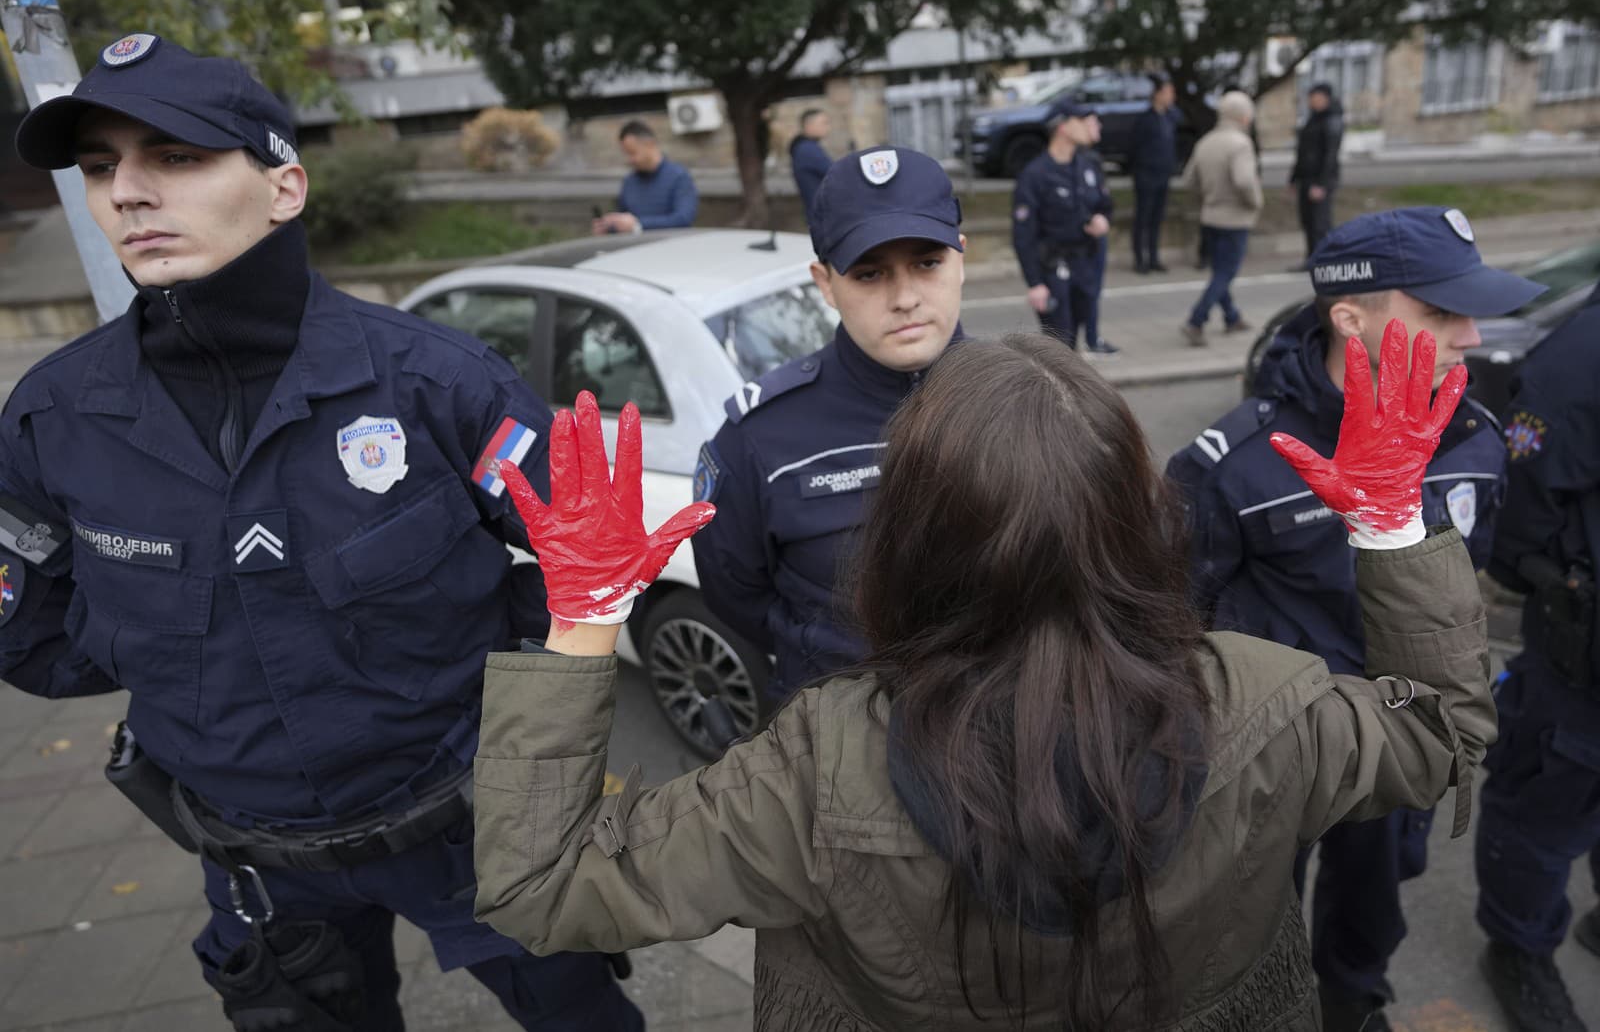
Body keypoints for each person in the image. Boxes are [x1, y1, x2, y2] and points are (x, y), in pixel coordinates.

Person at [470, 319, 1496, 1030]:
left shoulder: (809, 771)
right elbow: (1443, 729)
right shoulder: (1273, 702)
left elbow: (540, 882)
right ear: (1142, 522)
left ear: (904, 539)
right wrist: (1391, 523)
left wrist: (585, 614)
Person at [2, 34, 641, 1031]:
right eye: (98, 166)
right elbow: (29, 635)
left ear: (285, 186)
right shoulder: (52, 418)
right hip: (259, 867)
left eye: (175, 155)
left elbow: (582, 562)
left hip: (475, 828)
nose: (126, 191)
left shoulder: (436, 380)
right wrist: (179, 661)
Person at [1167, 206, 1545, 1032]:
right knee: (1250, 908)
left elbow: (1467, 582)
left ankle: (1353, 995)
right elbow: (1172, 622)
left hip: (1403, 734)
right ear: (1349, 315)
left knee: (1372, 897)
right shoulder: (1236, 463)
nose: (1472, 337)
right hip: (1274, 748)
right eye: (1441, 312)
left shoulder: (1472, 438)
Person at [690, 144, 964, 705]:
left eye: (927, 263)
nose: (906, 297)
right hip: (836, 747)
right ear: (825, 283)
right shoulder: (761, 434)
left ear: (963, 256)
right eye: (869, 274)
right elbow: (736, 595)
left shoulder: (1038, 399)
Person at [1475, 282, 1600, 1032]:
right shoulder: (1584, 352)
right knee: (1545, 802)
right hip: (1583, 659)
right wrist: (1561, 588)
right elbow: (1521, 504)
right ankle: (1519, 948)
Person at [1011, 97, 1119, 356]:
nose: (1089, 125)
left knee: (1077, 331)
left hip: (1085, 263)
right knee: (1060, 342)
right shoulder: (1035, 175)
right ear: (1063, 127)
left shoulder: (1088, 166)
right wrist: (1034, 282)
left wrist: (1103, 220)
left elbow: (1105, 204)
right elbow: (1023, 233)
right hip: (1053, 268)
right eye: (1081, 120)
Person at [1181, 90, 1262, 347]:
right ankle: (1196, 320)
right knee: (1225, 273)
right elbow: (1244, 180)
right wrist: (1255, 202)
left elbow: (1188, 180)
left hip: (1210, 215)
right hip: (1234, 218)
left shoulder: (1206, 141)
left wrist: (1208, 196)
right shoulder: (1240, 144)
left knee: (1220, 271)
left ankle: (1232, 316)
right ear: (1244, 116)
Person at [592, 119, 698, 234]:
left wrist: (638, 224)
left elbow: (682, 219)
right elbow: (625, 222)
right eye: (626, 154)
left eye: (632, 153)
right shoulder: (629, 182)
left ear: (650, 144)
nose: (629, 160)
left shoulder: (679, 177)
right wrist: (611, 226)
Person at [1128, 74, 1179, 274]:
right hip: (1146, 176)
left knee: (1157, 219)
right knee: (1143, 218)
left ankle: (1154, 257)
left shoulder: (1169, 117)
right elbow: (1134, 149)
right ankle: (1140, 258)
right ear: (1157, 94)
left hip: (1163, 176)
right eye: (1168, 92)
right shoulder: (1145, 120)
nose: (1171, 96)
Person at [1291, 83, 1344, 265]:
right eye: (1311, 97)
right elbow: (1302, 151)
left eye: (1316, 97)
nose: (1312, 101)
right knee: (1307, 221)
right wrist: (1294, 177)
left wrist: (1321, 184)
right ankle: (1312, 258)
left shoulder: (1332, 120)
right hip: (1306, 179)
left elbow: (1330, 155)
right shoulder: (1312, 119)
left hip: (1321, 180)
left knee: (1320, 223)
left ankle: (1324, 260)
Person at [790, 107, 832, 227]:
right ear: (809, 125)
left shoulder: (804, 146)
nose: (828, 127)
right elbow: (835, 173)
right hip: (822, 216)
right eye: (824, 123)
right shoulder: (808, 149)